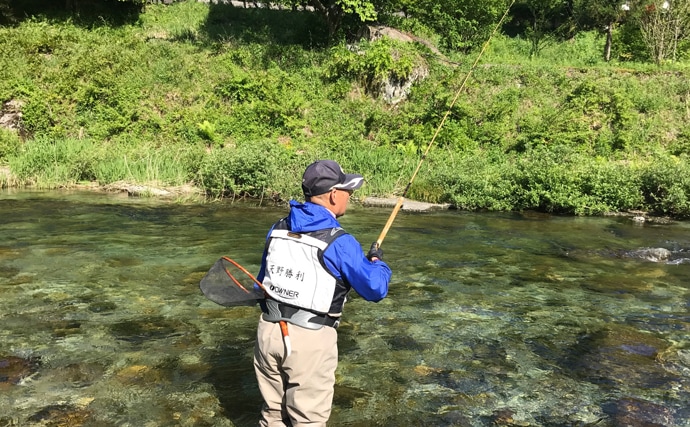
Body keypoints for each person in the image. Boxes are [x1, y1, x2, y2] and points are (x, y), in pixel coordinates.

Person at [253, 159, 392, 427]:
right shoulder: (340, 241)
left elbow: (263, 278)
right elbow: (375, 289)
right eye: (348, 192)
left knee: (272, 416)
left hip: (268, 331)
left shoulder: (278, 228)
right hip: (309, 340)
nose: (350, 198)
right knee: (308, 421)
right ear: (333, 195)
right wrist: (377, 261)